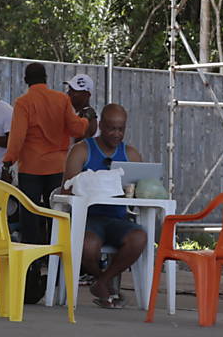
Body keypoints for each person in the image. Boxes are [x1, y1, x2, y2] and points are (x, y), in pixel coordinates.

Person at [60, 103, 146, 309]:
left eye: (121, 129)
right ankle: (105, 282)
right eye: (111, 128)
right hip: (88, 219)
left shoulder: (132, 155)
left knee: (139, 237)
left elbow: (143, 190)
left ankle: (102, 282)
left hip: (118, 220)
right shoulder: (82, 150)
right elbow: (66, 189)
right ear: (100, 125)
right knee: (88, 247)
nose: (116, 134)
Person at [2, 63, 88, 244]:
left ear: (26, 80)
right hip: (57, 166)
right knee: (56, 213)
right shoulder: (61, 99)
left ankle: (32, 262)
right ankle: (56, 259)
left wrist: (8, 162)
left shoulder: (23, 103)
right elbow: (75, 129)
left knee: (30, 214)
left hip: (31, 168)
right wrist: (86, 121)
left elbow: (17, 137)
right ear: (46, 79)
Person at [64, 74, 98, 142]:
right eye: (70, 89)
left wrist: (86, 119)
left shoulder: (91, 117)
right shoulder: (70, 112)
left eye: (74, 90)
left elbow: (81, 143)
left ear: (87, 95)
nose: (69, 93)